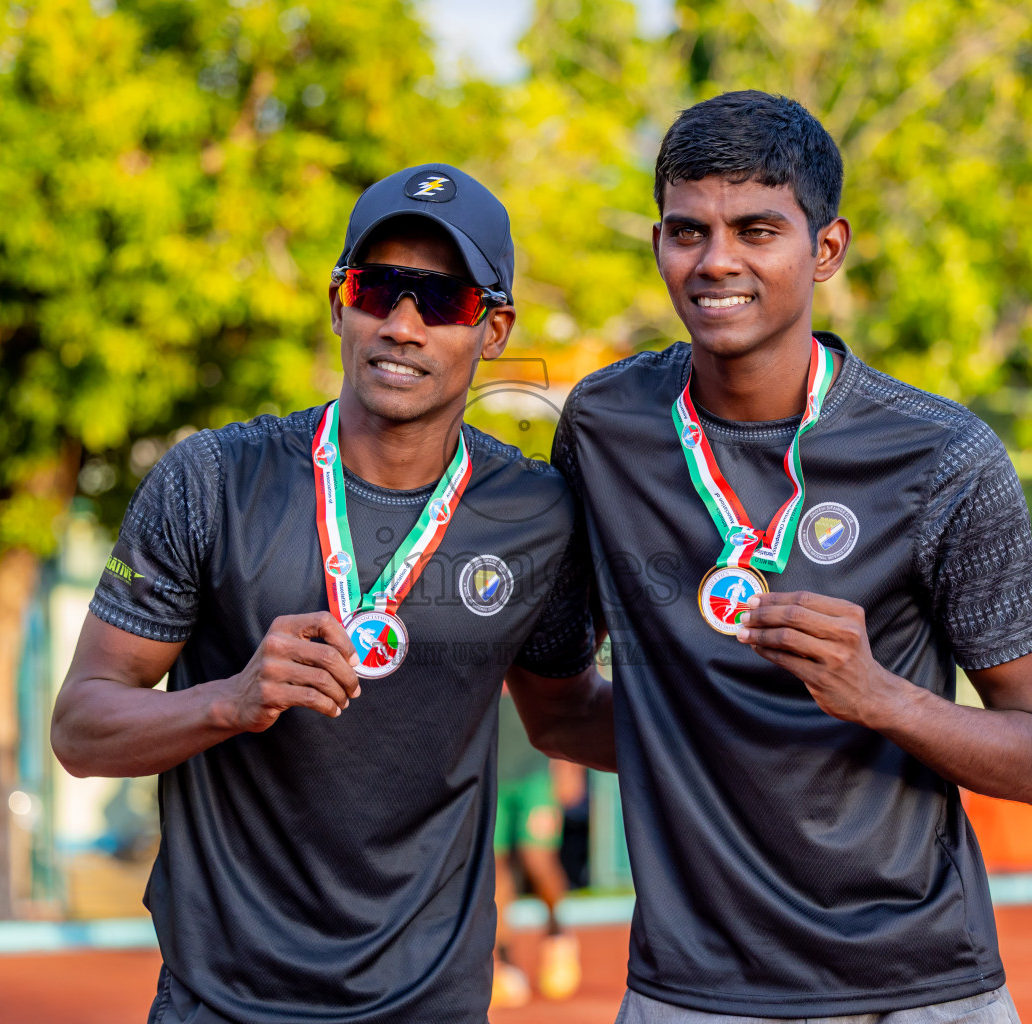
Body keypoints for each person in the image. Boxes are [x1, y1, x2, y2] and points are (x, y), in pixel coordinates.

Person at [547, 92, 1032, 1023]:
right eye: (686, 231)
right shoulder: (604, 426)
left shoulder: (942, 456)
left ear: (826, 248)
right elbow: (557, 713)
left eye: (757, 229)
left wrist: (881, 696)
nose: (716, 262)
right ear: (658, 242)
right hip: (693, 992)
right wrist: (698, 733)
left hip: (920, 987)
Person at [49, 163, 612, 1024]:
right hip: (222, 1001)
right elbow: (81, 726)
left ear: (494, 329)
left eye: (445, 300)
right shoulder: (214, 481)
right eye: (376, 287)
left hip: (431, 1004)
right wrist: (230, 702)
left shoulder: (536, 514)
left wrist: (770, 725)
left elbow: (563, 716)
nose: (404, 324)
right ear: (338, 304)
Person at [491, 684, 583, 1008]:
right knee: (495, 868)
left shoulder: (527, 641)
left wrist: (570, 766)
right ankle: (504, 963)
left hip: (536, 773)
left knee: (538, 859)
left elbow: (567, 698)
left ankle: (558, 937)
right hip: (493, 775)